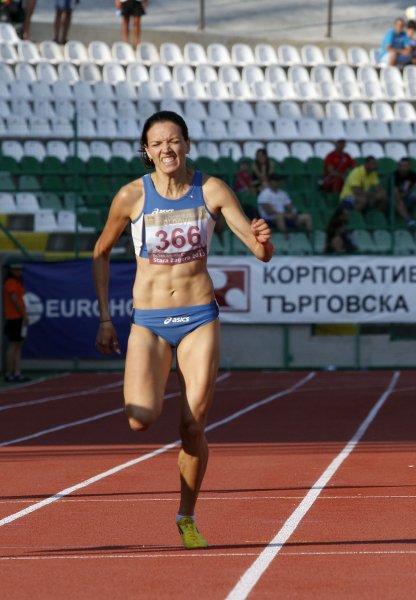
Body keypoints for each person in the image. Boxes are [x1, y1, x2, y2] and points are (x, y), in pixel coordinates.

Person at [92, 111, 275, 549]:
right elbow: (100, 252)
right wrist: (104, 318)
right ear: (146, 151)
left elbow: (259, 251)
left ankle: (186, 515)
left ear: (187, 145)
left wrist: (264, 240)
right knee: (141, 420)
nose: (167, 149)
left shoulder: (210, 190)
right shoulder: (131, 196)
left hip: (197, 319)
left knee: (193, 427)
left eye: (174, 141)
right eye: (157, 143)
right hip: (148, 323)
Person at [3, 263, 28, 383]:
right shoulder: (10, 283)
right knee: (14, 346)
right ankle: (9, 372)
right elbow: (15, 300)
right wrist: (23, 314)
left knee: (18, 346)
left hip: (19, 318)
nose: (19, 271)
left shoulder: (18, 282)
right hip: (14, 318)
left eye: (20, 269)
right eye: (15, 269)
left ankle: (17, 372)